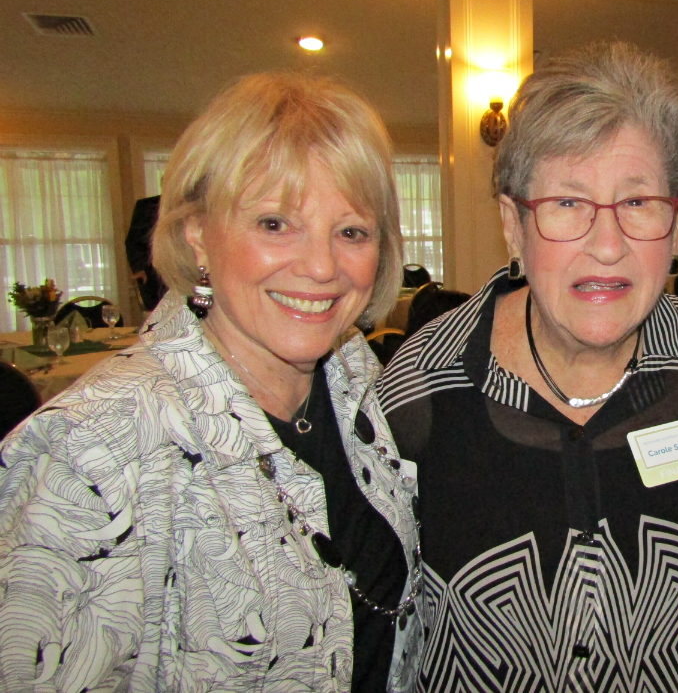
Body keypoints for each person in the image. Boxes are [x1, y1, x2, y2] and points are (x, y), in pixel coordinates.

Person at [377, 41, 678, 691]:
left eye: (637, 202)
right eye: (568, 204)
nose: (607, 245)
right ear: (513, 224)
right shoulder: (422, 389)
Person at [0, 73, 424, 692]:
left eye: (351, 231)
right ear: (197, 233)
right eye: (275, 223)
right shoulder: (91, 448)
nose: (321, 266)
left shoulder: (356, 379)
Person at [126, 194, 166, 311]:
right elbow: (134, 241)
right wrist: (140, 268)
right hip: (155, 277)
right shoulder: (147, 206)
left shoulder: (196, 202)